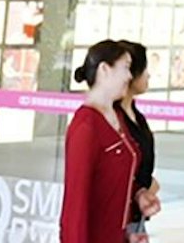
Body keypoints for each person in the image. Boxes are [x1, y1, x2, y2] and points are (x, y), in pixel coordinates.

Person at [63, 40, 147, 243]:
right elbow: (75, 206)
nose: (129, 76)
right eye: (125, 67)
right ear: (104, 70)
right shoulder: (86, 127)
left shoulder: (117, 118)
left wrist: (138, 197)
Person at [117, 42, 161, 240]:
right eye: (144, 69)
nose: (148, 75)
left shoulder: (137, 117)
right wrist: (145, 187)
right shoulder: (114, 119)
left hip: (138, 214)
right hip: (120, 216)